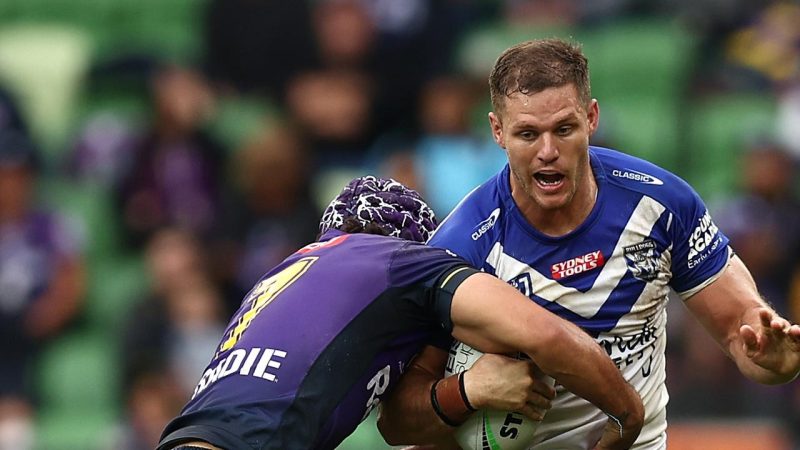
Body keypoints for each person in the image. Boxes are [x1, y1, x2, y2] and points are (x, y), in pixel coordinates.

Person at [377, 38, 800, 449]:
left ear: (591, 118)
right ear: (497, 130)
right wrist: (468, 391)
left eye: (564, 129)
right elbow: (397, 425)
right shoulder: (460, 248)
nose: (548, 151)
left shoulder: (662, 204)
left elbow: (742, 334)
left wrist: (773, 362)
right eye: (527, 134)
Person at [156, 176, 645, 450]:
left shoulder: (281, 276)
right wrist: (626, 415)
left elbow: (392, 428)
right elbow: (546, 336)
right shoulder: (399, 260)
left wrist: (464, 391)